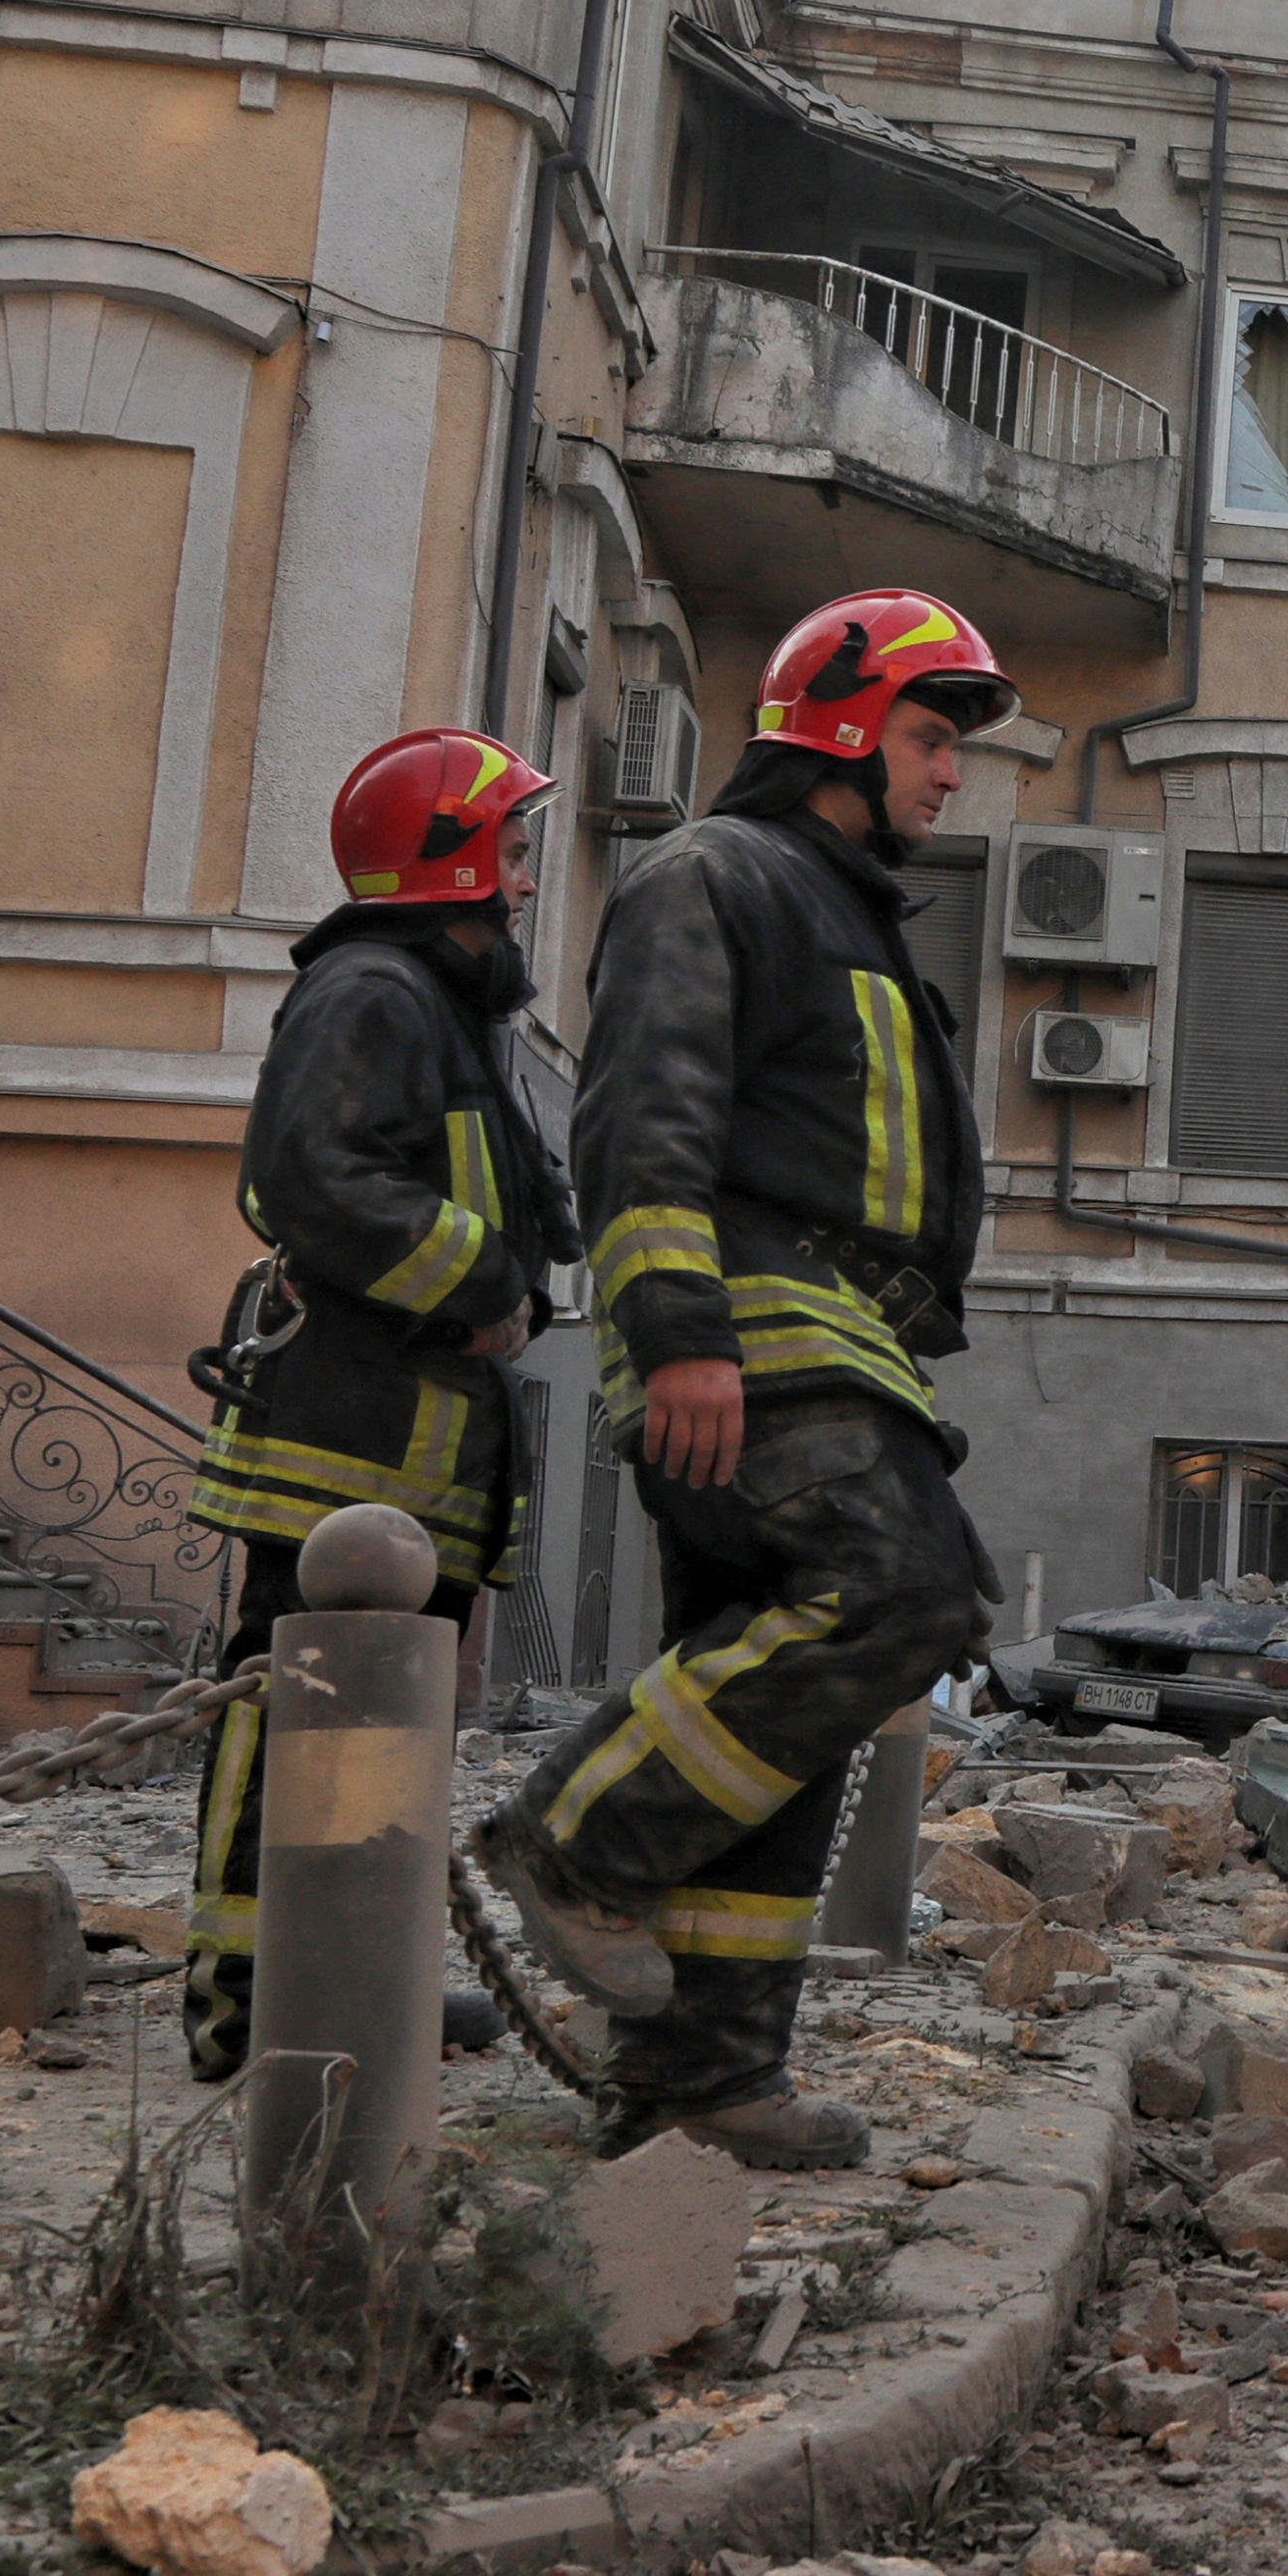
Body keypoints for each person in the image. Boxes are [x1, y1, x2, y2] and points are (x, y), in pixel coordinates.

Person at [476, 588, 1011, 2167]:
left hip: (833, 1333)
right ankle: (576, 1841)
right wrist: (683, 1334)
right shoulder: (717, 877)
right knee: (908, 1597)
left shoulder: (837, 905)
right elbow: (646, 1120)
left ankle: (700, 2078)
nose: (951, 774)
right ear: (840, 733)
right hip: (762, 1330)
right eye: (929, 736)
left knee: (775, 1715)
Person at [180, 727, 578, 2082]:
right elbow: (313, 1184)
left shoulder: (444, 1009)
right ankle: (242, 2003)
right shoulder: (372, 991)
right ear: (452, 856)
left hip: (412, 1444)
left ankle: (354, 1980)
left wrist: (533, 1262)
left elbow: (476, 1189)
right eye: (513, 852)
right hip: (342, 1439)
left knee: (383, 1731)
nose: (525, 882)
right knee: (289, 1706)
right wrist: (477, 1284)